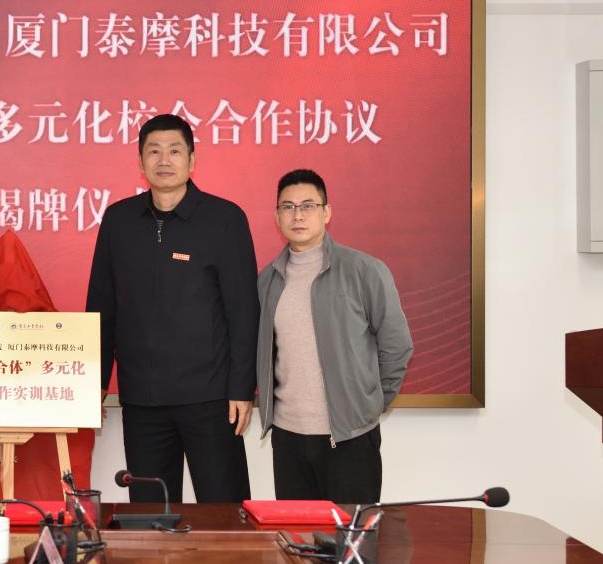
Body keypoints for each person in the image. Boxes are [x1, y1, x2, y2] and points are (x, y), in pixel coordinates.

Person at [85, 114, 259, 503]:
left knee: (224, 512)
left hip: (211, 399)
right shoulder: (118, 220)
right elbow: (102, 308)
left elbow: (244, 311)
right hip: (142, 401)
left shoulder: (225, 219)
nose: (164, 160)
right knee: (151, 515)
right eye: (154, 151)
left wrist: (241, 388)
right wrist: (94, 384)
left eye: (175, 151)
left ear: (192, 160)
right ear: (140, 161)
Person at [255, 169, 413, 504]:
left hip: (349, 437)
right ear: (277, 216)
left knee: (352, 534)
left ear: (326, 212)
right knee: (297, 536)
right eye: (288, 207)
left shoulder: (364, 270)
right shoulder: (268, 280)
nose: (298, 215)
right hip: (288, 437)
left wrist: (370, 404)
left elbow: (396, 345)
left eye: (308, 206)